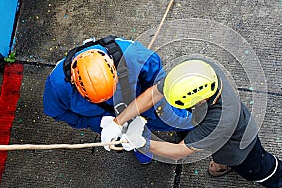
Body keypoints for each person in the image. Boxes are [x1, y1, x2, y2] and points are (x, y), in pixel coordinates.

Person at [102, 59, 282, 188]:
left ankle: (277, 180)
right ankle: (224, 162)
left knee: (254, 166)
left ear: (199, 101)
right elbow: (154, 93)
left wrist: (142, 143)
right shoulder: (197, 72)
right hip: (214, 133)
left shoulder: (220, 119)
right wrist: (118, 122)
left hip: (238, 145)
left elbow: (178, 152)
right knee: (215, 150)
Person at [43, 36, 193, 164]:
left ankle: (191, 124)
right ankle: (139, 147)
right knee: (132, 140)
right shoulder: (56, 88)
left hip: (145, 105)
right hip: (108, 121)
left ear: (114, 69)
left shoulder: (134, 56)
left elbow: (160, 85)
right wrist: (97, 122)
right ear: (74, 83)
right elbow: (58, 113)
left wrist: (155, 110)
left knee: (175, 120)